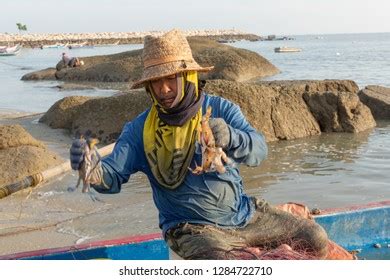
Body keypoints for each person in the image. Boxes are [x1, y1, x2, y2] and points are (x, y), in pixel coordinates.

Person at [69, 29, 329, 259]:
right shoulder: (139, 130)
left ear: (189, 76)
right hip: (191, 230)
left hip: (245, 217)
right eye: (156, 81)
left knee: (314, 237)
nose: (164, 89)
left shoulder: (221, 109)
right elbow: (111, 177)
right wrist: (90, 168)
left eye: (171, 78)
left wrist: (232, 137)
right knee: (223, 264)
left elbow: (259, 151)